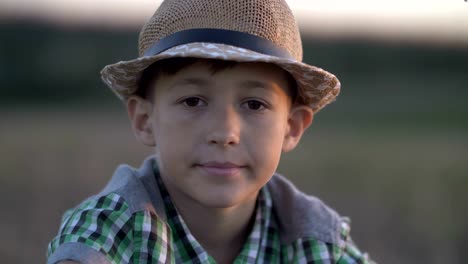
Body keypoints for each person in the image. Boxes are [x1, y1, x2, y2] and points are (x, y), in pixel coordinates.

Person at [47, 0, 374, 263]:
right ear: (145, 120)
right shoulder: (112, 228)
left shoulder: (313, 236)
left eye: (254, 104)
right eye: (193, 101)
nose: (224, 132)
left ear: (291, 127)